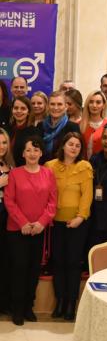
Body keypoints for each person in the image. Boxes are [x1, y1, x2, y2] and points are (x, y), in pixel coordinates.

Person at [3, 136, 56, 325]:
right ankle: (17, 309)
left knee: (34, 269)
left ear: (41, 153)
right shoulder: (15, 174)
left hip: (38, 230)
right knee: (19, 269)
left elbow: (52, 202)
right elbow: (9, 200)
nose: (32, 153)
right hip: (17, 230)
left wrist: (41, 223)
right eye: (28, 150)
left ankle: (28, 307)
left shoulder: (48, 174)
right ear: (23, 154)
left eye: (36, 150)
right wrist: (23, 223)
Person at [44, 131, 92, 321]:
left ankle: (71, 303)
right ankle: (60, 301)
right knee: (58, 262)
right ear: (63, 146)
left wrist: (80, 217)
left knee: (73, 263)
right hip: (55, 222)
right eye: (71, 144)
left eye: (78, 145)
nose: (74, 148)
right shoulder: (50, 166)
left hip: (77, 223)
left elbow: (87, 195)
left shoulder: (84, 166)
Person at [39, 91, 80, 163]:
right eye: (52, 104)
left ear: (66, 107)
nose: (55, 107)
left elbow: (77, 153)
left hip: (65, 167)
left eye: (59, 104)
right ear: (48, 106)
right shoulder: (40, 126)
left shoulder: (72, 127)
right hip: (42, 167)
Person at [0, 130, 13, 312]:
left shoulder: (10, 165)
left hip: (7, 218)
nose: (1, 146)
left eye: (4, 142)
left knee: (5, 260)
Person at [81, 90, 107, 156]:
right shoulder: (79, 124)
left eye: (98, 102)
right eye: (91, 102)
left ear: (104, 105)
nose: (94, 105)